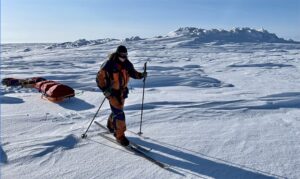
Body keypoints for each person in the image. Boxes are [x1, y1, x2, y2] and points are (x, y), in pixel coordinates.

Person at [96, 45, 147, 146]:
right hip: (112, 93)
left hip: (122, 93)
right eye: (122, 54)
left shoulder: (127, 64)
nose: (124, 56)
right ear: (117, 53)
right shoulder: (108, 64)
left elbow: (133, 73)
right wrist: (104, 90)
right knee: (119, 114)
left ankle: (111, 125)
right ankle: (119, 136)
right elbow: (99, 78)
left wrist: (141, 75)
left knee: (118, 111)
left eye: (125, 54)